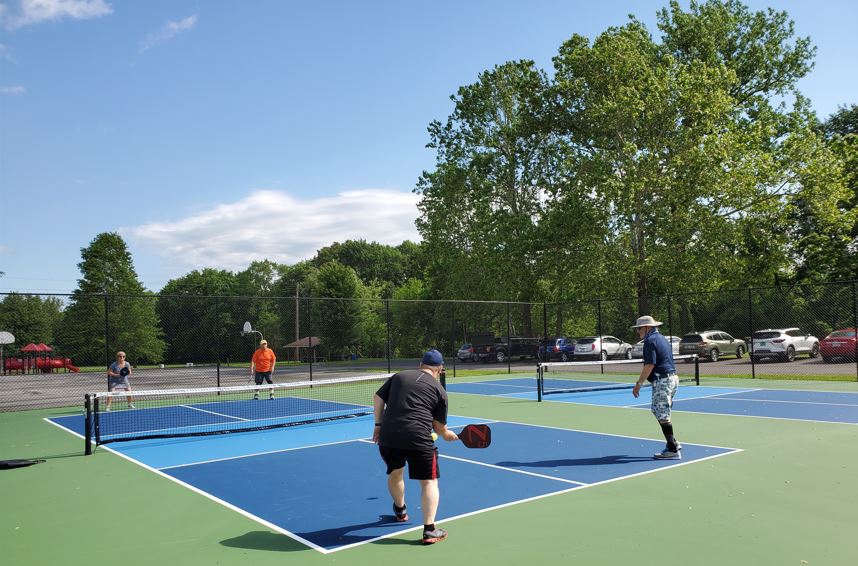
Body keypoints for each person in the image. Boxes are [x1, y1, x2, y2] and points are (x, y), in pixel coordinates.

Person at [372, 349, 459, 545]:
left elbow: (378, 397)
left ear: (421, 365)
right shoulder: (440, 391)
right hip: (418, 438)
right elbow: (439, 428)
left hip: (388, 435)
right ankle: (429, 530)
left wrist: (378, 425)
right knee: (429, 482)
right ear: (440, 369)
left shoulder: (399, 376)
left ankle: (400, 510)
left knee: (395, 472)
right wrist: (447, 435)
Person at [631, 315, 681, 459]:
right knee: (658, 410)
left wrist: (638, 384)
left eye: (639, 328)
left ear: (647, 327)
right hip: (672, 378)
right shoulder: (661, 338)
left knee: (662, 415)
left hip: (662, 380)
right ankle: (673, 443)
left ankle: (672, 449)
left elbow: (649, 365)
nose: (638, 331)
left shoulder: (650, 340)